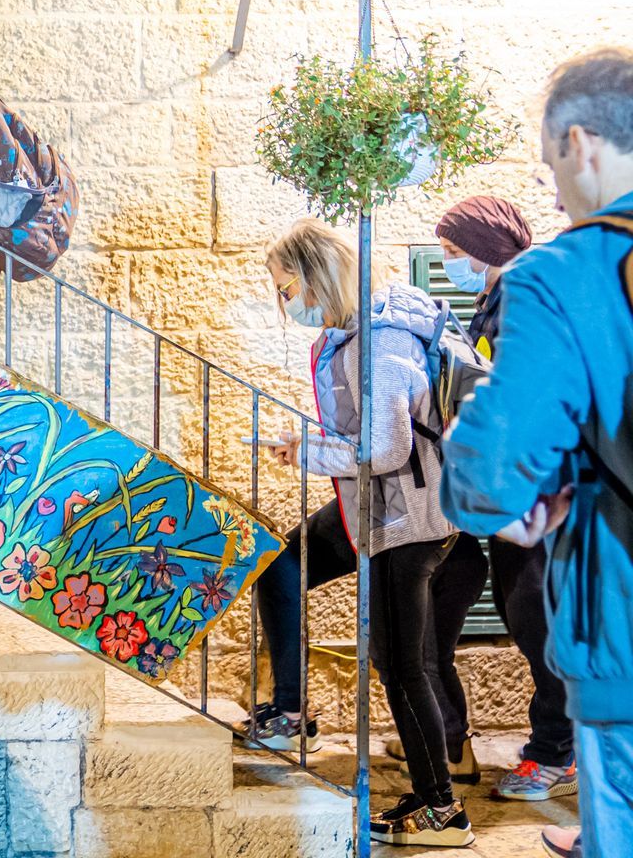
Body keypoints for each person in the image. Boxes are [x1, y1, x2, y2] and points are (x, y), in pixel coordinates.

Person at [443, 48, 633, 858]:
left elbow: (487, 479)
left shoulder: (564, 272)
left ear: (580, 144)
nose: (554, 193)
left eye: (553, 165)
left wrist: (492, 476)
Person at [248, 219, 472, 848]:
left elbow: (384, 449)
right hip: (380, 509)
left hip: (408, 520)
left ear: (317, 277)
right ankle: (294, 713)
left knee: (402, 667)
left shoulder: (380, 342)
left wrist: (310, 453)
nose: (284, 302)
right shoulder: (356, 336)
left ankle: (442, 812)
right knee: (283, 565)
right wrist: (308, 444)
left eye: (286, 288)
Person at [404, 197, 573, 803]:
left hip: (542, 492)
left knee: (540, 622)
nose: (450, 263)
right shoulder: (494, 300)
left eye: (455, 252)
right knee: (524, 614)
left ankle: (555, 755)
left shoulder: (527, 300)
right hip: (515, 490)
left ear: (484, 247)